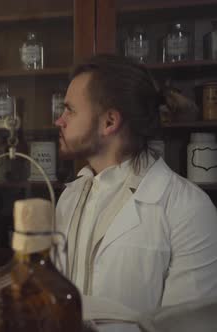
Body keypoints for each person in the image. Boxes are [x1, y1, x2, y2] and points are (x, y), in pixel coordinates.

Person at [54, 54, 217, 314]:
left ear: (109, 122)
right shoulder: (70, 197)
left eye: (70, 110)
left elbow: (186, 326)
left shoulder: (189, 208)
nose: (59, 120)